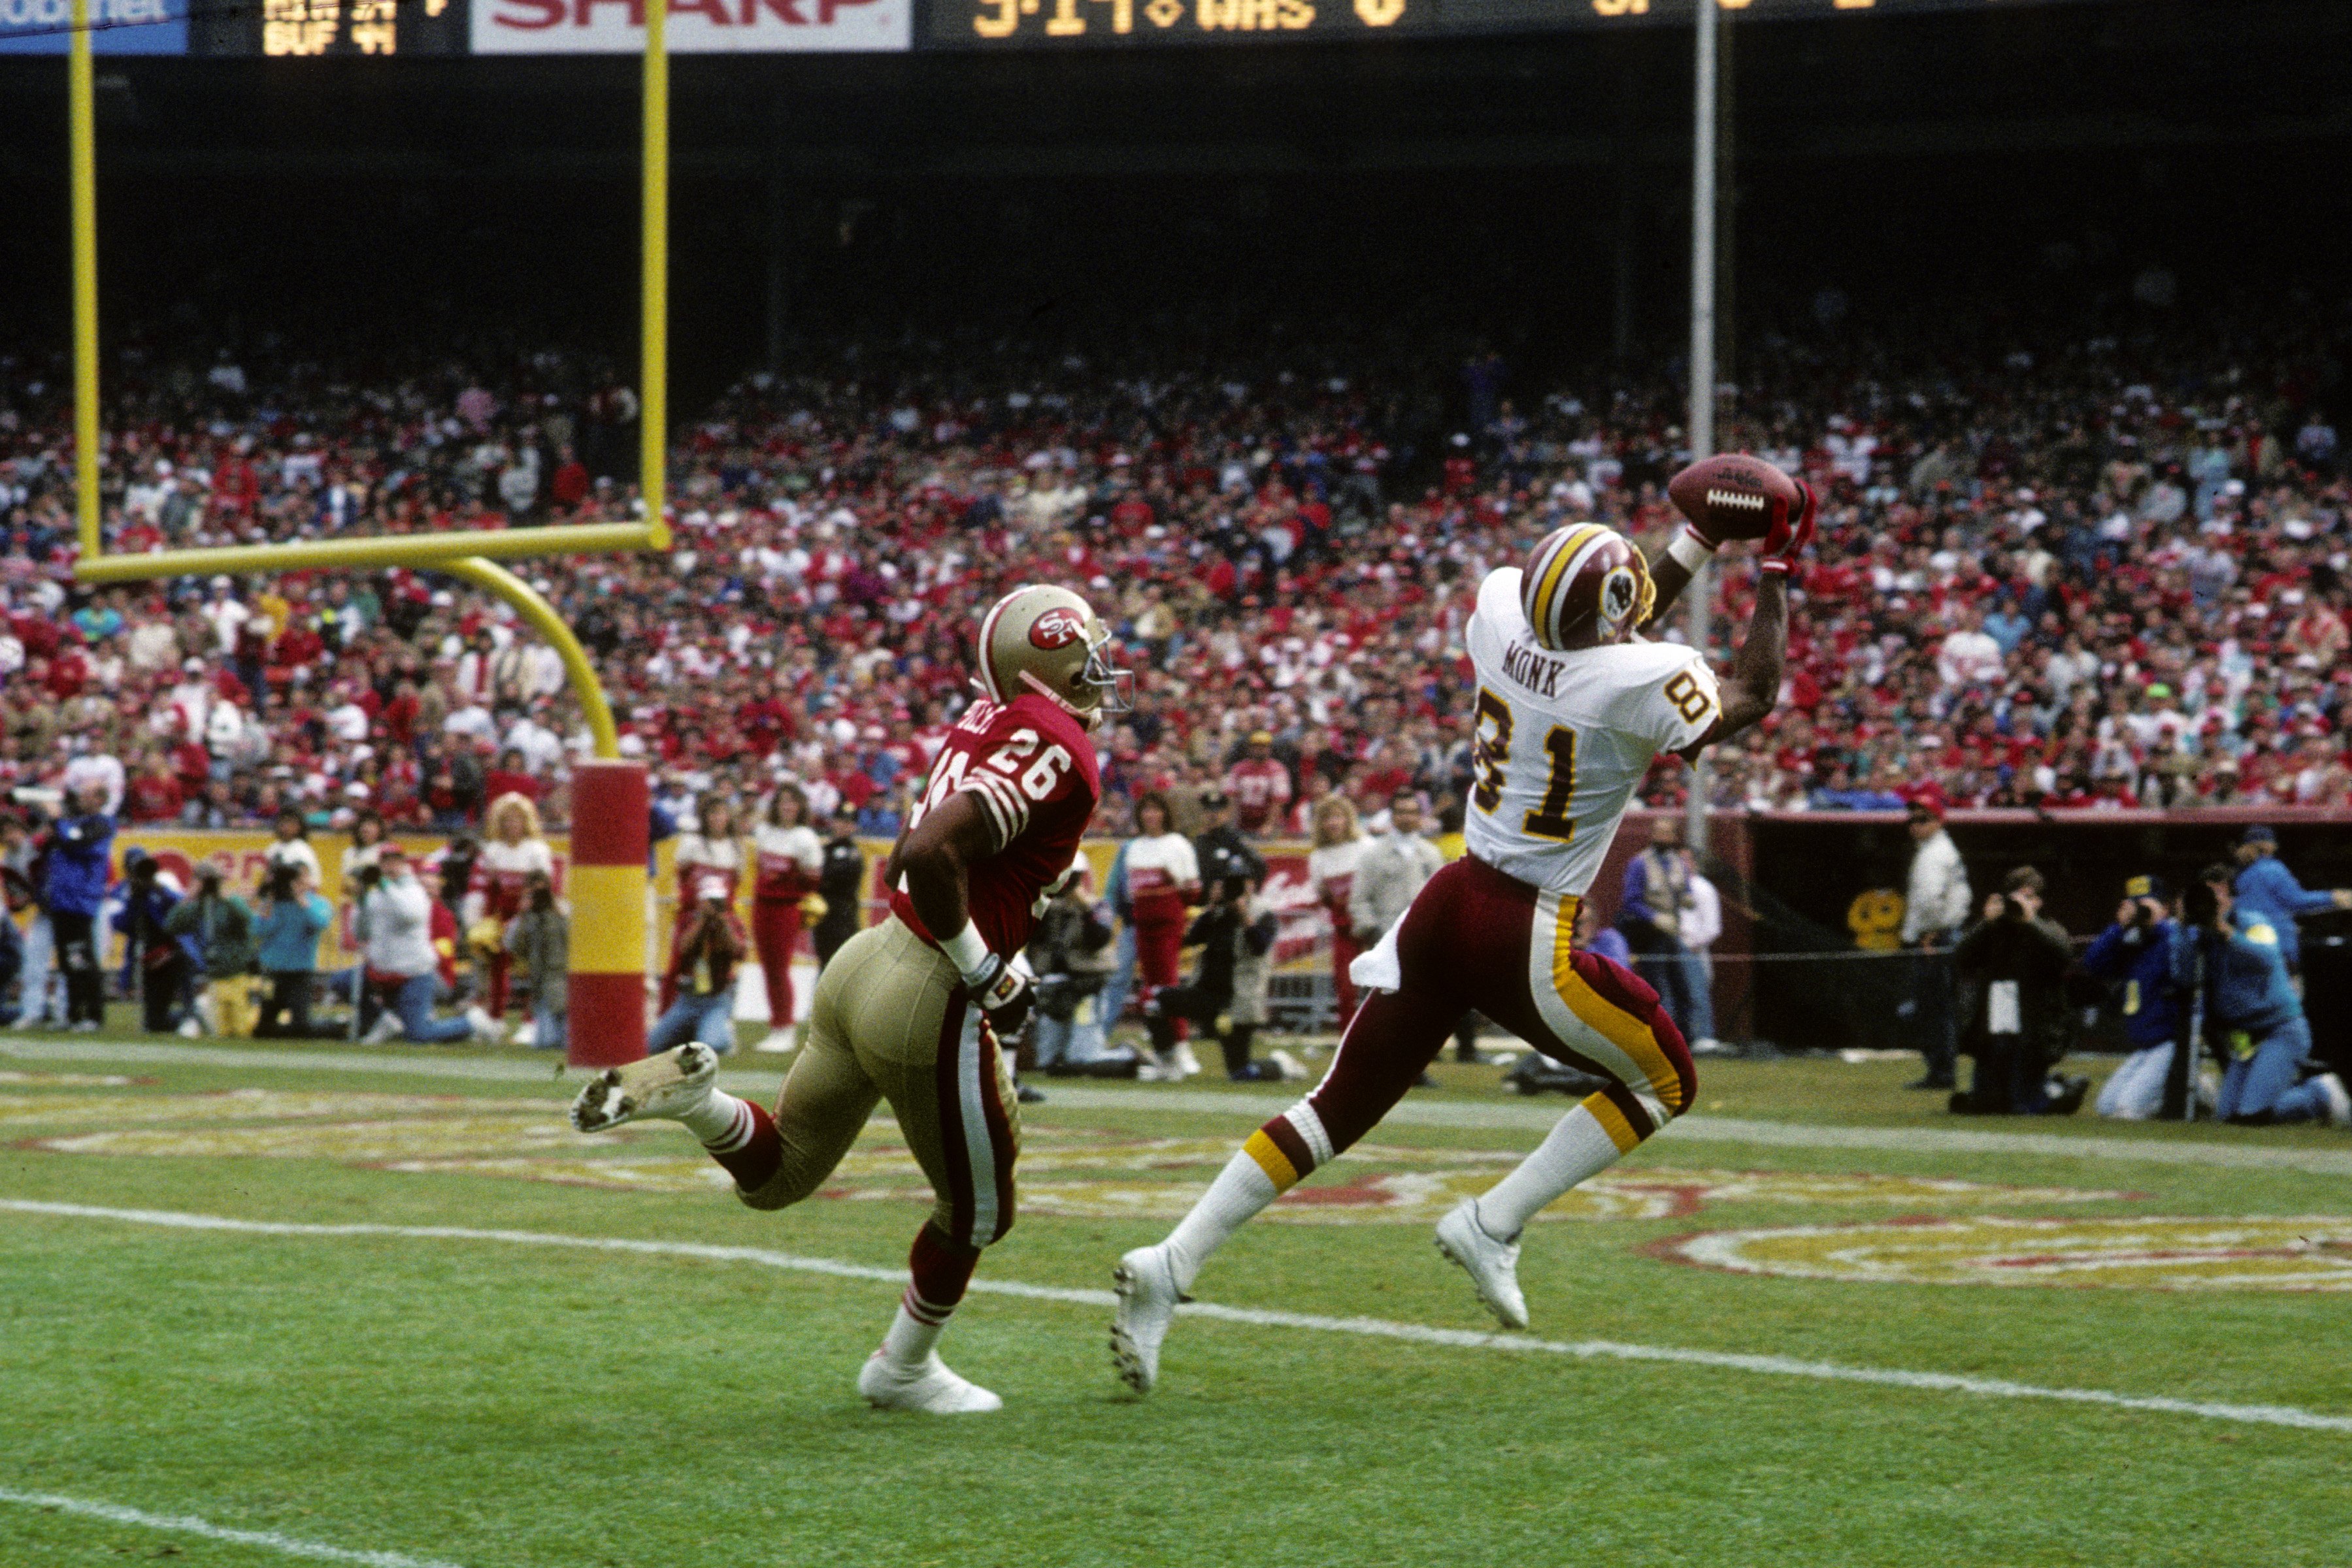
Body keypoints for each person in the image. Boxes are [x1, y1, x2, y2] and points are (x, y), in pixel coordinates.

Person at [1114, 496, 1809, 1393]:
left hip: (1449, 896)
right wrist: (1779, 569)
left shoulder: (1496, 611)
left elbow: (1608, 622)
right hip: (1525, 925)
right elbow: (1748, 695)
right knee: (1663, 1078)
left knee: (1336, 1104)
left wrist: (1696, 541)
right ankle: (1491, 1221)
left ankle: (1170, 1261)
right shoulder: (1640, 677)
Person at [571, 583, 1121, 1414]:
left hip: (864, 961)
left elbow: (913, 857)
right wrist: (983, 970)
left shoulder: (984, 720)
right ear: (1048, 657)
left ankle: (700, 1100)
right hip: (928, 986)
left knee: (779, 1176)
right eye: (1085, 649)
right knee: (981, 1207)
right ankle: (901, 1370)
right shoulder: (1056, 742)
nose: (1099, 665)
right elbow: (929, 853)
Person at [2183, 865, 2347, 1126]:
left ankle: (2321, 1094)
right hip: (2246, 1040)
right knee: (2227, 1117)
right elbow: (2182, 974)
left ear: (2232, 898)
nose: (2213, 903)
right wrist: (2183, 929)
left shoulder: (2253, 922)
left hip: (2280, 1030)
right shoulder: (2199, 936)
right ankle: (2283, 1092)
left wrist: (2227, 932)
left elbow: (2267, 958)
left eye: (2218, 895)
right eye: (2207, 896)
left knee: (2251, 1116)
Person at [1949, 867, 2087, 1116]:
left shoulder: (2048, 928)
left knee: (2021, 1105)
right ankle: (2042, 1088)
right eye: (2016, 897)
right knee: (1984, 1104)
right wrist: (1985, 924)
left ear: (2039, 901)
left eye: (2029, 897)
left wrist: (2030, 922)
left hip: (2034, 1029)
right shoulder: (1994, 930)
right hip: (1995, 1025)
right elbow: (1962, 958)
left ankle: (2061, 1091)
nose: (2021, 903)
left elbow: (2064, 957)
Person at [1141, 874, 1303, 1083]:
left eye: (1237, 886)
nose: (1229, 891)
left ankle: (1282, 1066)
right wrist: (1211, 908)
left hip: (1238, 1002)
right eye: (1224, 885)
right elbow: (1192, 938)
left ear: (1251, 886)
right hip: (1207, 995)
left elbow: (1260, 946)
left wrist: (1244, 915)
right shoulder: (1216, 913)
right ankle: (1168, 1064)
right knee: (1153, 1000)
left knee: (1240, 1074)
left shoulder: (1263, 913)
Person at [354, 846, 497, 1045]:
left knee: (418, 1034)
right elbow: (360, 932)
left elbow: (410, 915)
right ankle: (385, 1021)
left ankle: (470, 1023)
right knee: (344, 981)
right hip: (383, 972)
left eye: (395, 861)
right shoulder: (376, 895)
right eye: (386, 862)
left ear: (403, 864)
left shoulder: (414, 890)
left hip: (414, 973)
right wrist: (360, 901)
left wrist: (386, 886)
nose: (390, 867)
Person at [2083, 874, 2185, 1120]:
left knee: (2127, 1111)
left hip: (2171, 1043)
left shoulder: (2176, 935)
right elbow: (2093, 964)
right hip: (2144, 1046)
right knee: (2106, 1107)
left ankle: (2188, 1092)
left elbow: (2182, 953)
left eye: (2146, 906)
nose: (2140, 913)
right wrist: (2119, 928)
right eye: (2135, 906)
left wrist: (2155, 924)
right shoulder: (2133, 941)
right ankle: (2180, 1092)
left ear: (2166, 908)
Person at [1617, 817, 1715, 1053]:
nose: (1663, 838)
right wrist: (1654, 918)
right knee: (1659, 988)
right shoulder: (1639, 863)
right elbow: (1630, 901)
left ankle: (1688, 1038)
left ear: (1674, 836)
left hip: (1674, 933)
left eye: (1667, 833)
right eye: (1659, 832)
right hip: (1649, 935)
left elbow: (1685, 890)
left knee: (1685, 985)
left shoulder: (1678, 862)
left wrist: (1687, 898)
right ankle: (1664, 1041)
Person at [1122, 792, 1202, 1077]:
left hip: (1168, 922)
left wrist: (1170, 883)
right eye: (1146, 810)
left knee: (1168, 983)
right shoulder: (1134, 848)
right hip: (1143, 923)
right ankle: (1163, 1049)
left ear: (1166, 814)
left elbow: (1192, 891)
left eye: (1157, 810)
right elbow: (1131, 892)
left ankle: (1182, 1045)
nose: (1151, 816)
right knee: (1150, 986)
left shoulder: (1177, 844)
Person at [1025, 856, 1124, 1076]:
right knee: (1046, 1061)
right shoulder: (1044, 908)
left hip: (1087, 988)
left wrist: (1087, 910)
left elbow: (1100, 939)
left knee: (1082, 1059)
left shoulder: (1097, 906)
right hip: (1053, 989)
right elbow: (1032, 942)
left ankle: (1128, 1057)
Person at [1898, 798, 1972, 1090]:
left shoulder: (1933, 855)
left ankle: (1941, 1073)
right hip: (1945, 933)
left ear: (1938, 821)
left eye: (1923, 819)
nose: (1915, 825)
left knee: (1933, 1009)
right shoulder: (1940, 850)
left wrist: (1929, 933)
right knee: (1936, 1007)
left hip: (1937, 936)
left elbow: (1931, 899)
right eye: (1912, 819)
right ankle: (1941, 1070)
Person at [752, 783, 824, 1053]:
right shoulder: (764, 832)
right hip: (762, 905)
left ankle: (786, 1027)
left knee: (780, 967)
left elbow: (813, 880)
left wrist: (786, 881)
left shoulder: (805, 838)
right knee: (768, 967)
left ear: (801, 806)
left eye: (793, 802)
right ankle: (776, 1024)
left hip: (785, 907)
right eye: (783, 802)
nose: (787, 807)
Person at [470, 792, 554, 1026]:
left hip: (530, 915)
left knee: (532, 967)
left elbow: (544, 887)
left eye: (517, 819)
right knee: (497, 967)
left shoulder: (537, 850)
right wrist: (484, 920)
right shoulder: (492, 850)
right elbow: (482, 888)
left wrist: (530, 912)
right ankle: (495, 1017)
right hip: (500, 916)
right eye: (507, 820)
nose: (512, 825)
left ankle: (531, 1020)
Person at [2230, 824, 2352, 975]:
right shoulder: (2273, 869)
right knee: (2287, 998)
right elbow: (2297, 901)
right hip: (2278, 949)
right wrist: (2335, 898)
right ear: (2271, 845)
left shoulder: (2243, 875)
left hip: (2249, 947)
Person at [650, 877, 748, 1054]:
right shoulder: (689, 920)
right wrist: (702, 922)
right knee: (653, 1044)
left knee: (711, 1045)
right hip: (687, 999)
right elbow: (683, 948)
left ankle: (721, 1033)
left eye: (716, 901)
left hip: (716, 998)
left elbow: (738, 952)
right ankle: (691, 1031)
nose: (712, 906)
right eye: (709, 901)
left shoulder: (733, 922)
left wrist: (721, 922)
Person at [666, 792, 744, 1011]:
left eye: (722, 814)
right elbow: (682, 879)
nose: (717, 819)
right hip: (692, 916)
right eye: (712, 813)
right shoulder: (692, 844)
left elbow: (735, 886)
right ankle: (668, 1018)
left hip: (721, 918)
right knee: (678, 965)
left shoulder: (735, 848)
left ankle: (720, 1018)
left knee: (722, 967)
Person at [45, 787, 115, 1032]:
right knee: (66, 961)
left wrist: (57, 821)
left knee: (82, 958)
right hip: (61, 900)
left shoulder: (102, 825)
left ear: (100, 799)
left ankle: (93, 1015)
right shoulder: (75, 823)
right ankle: (73, 1014)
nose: (82, 798)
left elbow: (77, 843)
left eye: (89, 794)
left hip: (80, 900)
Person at [167, 863, 259, 1039]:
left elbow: (246, 919)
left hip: (238, 975)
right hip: (216, 977)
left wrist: (226, 896)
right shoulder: (198, 908)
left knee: (242, 1029)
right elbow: (172, 926)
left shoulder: (230, 904)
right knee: (221, 1031)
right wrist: (189, 897)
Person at [253, 860, 335, 1039]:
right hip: (273, 971)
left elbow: (320, 923)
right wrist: (269, 898)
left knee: (300, 1025)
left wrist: (301, 900)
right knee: (263, 1028)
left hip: (300, 971)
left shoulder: (319, 903)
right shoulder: (274, 904)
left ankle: (332, 1030)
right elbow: (258, 930)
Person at [1305, 795, 1366, 1032]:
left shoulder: (1364, 847)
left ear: (1348, 820)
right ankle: (1349, 1037)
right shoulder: (1318, 857)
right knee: (1345, 985)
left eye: (1338, 817)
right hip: (1343, 928)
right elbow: (1324, 896)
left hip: (1371, 926)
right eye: (1328, 818)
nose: (1333, 823)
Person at [118, 851, 193, 1034]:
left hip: (169, 954)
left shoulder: (162, 894)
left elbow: (177, 920)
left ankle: (190, 1016)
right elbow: (129, 930)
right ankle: (184, 1017)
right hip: (150, 957)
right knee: (154, 1021)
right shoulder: (135, 898)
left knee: (161, 1012)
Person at [504, 869, 569, 1053]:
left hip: (559, 977)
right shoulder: (527, 918)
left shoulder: (563, 912)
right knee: (545, 1042)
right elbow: (514, 946)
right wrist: (524, 917)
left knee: (557, 1032)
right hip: (540, 980)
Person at [811, 806, 868, 972]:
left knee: (842, 968)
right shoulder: (824, 850)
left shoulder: (853, 854)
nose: (843, 826)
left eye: (848, 822)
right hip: (823, 916)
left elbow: (833, 877)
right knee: (824, 964)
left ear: (854, 826)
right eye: (840, 821)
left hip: (843, 917)